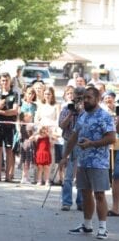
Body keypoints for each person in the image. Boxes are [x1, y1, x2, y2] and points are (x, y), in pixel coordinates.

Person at [59, 87, 116, 239]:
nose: (85, 100)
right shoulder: (83, 116)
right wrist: (64, 156)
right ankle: (87, 225)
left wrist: (91, 144)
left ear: (97, 99)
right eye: (84, 97)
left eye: (89, 97)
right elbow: (73, 137)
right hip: (82, 162)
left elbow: (111, 138)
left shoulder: (104, 116)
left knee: (99, 195)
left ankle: (103, 228)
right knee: (85, 194)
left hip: (98, 163)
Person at [59, 86, 84, 212]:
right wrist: (71, 113)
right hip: (68, 142)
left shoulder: (86, 111)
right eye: (77, 94)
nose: (78, 97)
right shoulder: (66, 108)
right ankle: (66, 202)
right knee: (68, 174)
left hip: (82, 144)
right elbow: (61, 125)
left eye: (81, 95)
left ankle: (81, 202)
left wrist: (81, 111)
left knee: (81, 174)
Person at [0, 73, 19, 181]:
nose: (4, 82)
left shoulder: (15, 94)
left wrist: (1, 111)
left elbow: (15, 111)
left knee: (9, 150)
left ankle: (8, 176)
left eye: (6, 80)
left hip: (9, 125)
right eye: (2, 80)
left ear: (10, 82)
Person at [19, 113, 35, 184]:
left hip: (23, 143)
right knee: (27, 161)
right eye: (29, 117)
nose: (31, 118)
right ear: (25, 118)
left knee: (25, 161)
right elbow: (31, 135)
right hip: (28, 144)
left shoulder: (22, 125)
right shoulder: (28, 126)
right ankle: (24, 177)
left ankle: (25, 177)